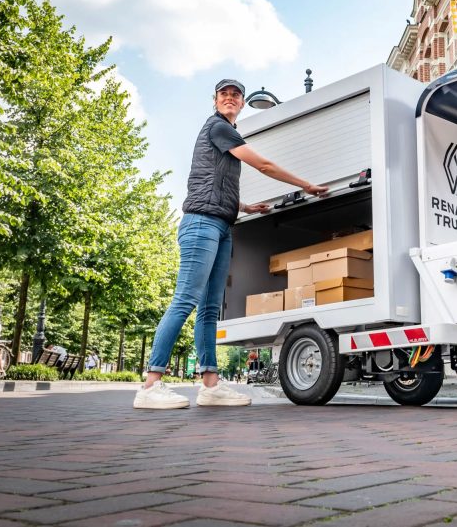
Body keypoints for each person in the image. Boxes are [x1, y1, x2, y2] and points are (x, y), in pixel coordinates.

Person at [134, 79, 329, 410]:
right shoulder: (218, 127)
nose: (230, 98)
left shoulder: (223, 134)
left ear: (240, 104)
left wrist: (245, 207)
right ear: (215, 101)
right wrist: (306, 184)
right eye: (224, 94)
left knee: (210, 309)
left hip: (222, 226)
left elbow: (210, 182)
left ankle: (210, 385)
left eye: (235, 95)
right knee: (185, 300)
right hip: (201, 224)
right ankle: (151, 384)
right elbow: (262, 164)